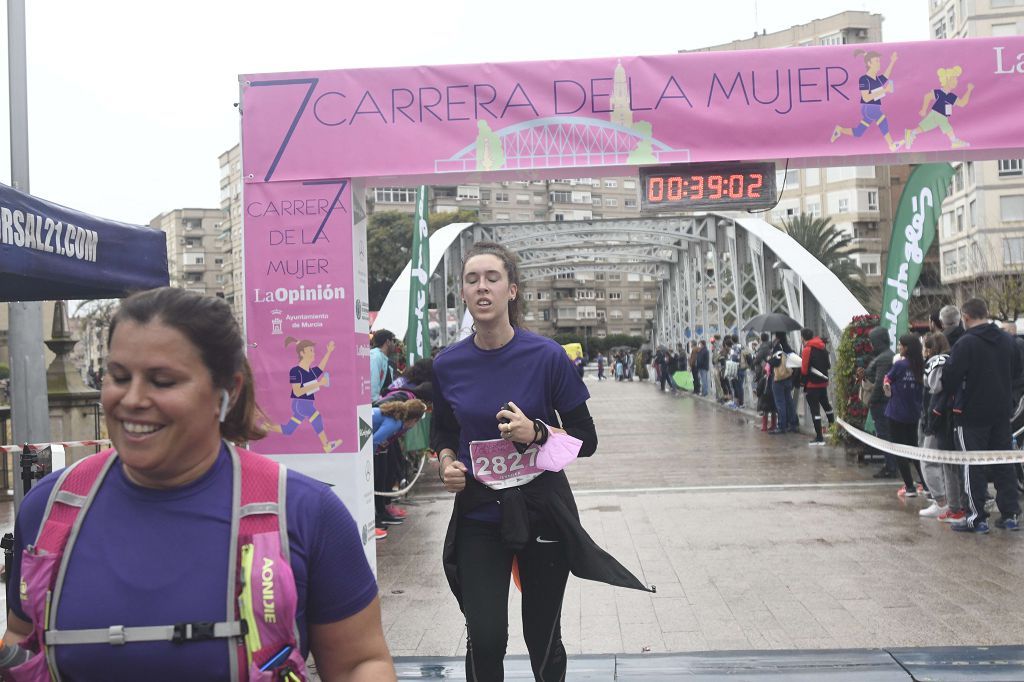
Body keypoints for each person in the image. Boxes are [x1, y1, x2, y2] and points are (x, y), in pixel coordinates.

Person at [2, 287, 394, 680]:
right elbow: (23, 643)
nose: (133, 398)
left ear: (228, 392)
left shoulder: (305, 513)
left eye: (163, 381)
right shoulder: (49, 509)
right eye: (119, 376)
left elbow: (360, 663)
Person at [431, 242, 651, 681]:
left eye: (492, 278)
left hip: (542, 512)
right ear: (463, 293)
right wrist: (446, 463)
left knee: (543, 637)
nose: (482, 287)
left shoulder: (547, 357)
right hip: (478, 513)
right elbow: (443, 432)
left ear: (512, 290)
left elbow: (586, 440)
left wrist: (539, 432)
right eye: (472, 280)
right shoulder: (447, 365)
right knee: (487, 635)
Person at [941, 298, 1022, 533]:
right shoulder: (1008, 341)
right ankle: (1010, 515)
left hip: (971, 415)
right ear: (986, 313)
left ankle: (976, 518)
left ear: (965, 318)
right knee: (1004, 463)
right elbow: (1017, 372)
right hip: (1002, 412)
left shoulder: (965, 344)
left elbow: (950, 379)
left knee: (971, 465)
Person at [265, 336, 344, 453]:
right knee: (316, 417)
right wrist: (319, 383)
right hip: (300, 403)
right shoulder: (295, 371)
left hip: (305, 403)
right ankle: (326, 445)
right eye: (310, 350)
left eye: (313, 350)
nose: (313, 353)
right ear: (302, 353)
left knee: (288, 429)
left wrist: (328, 352)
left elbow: (321, 368)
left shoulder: (310, 371)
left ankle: (266, 427)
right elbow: (297, 392)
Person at [920, 332, 966, 521]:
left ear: (931, 349)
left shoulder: (938, 361)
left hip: (941, 417)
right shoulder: (953, 359)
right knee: (951, 465)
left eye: (925, 347)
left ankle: (946, 504)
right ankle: (953, 504)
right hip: (946, 417)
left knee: (937, 460)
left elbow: (936, 386)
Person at [372, 399, 427, 538]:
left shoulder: (396, 420)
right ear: (414, 420)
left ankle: (379, 516)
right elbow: (374, 440)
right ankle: (374, 521)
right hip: (367, 449)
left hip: (374, 448)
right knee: (375, 479)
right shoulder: (395, 423)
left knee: (381, 476)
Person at [831, 49, 902, 152]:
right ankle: (891, 145)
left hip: (872, 107)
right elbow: (866, 97)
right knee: (882, 120)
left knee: (859, 132)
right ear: (869, 63)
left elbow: (886, 76)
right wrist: (884, 90)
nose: (879, 63)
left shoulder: (876, 79)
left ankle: (840, 129)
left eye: (879, 61)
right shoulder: (864, 79)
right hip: (869, 107)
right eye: (876, 61)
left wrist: (892, 61)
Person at [883, 334, 927, 497]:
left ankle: (909, 487)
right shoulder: (921, 365)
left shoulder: (900, 365)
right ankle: (926, 483)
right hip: (914, 413)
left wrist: (887, 385)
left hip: (896, 413)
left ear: (907, 348)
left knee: (899, 449)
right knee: (913, 448)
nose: (899, 348)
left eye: (901, 345)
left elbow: (888, 378)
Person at [904, 66, 974, 150]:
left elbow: (962, 103)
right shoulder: (940, 92)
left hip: (936, 115)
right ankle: (954, 141)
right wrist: (923, 109)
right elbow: (927, 96)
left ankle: (911, 133)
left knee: (925, 127)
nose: (956, 82)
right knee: (945, 123)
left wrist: (969, 90)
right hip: (938, 113)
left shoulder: (952, 96)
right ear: (947, 80)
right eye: (954, 79)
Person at [862, 326, 897, 478]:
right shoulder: (887, 355)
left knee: (884, 435)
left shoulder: (883, 358)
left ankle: (890, 467)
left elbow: (880, 383)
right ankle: (891, 465)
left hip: (881, 403)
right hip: (885, 402)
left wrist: (872, 401)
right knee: (886, 434)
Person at [800, 328, 835, 446]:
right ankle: (833, 429)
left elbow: (804, 370)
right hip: (823, 383)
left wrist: (802, 381)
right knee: (827, 406)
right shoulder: (822, 347)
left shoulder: (807, 349)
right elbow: (828, 365)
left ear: (802, 338)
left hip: (812, 384)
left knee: (815, 411)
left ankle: (819, 437)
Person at [767, 332, 798, 434]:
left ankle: (782, 426)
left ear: (777, 336)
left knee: (780, 403)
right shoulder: (787, 347)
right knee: (789, 402)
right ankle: (793, 424)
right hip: (788, 378)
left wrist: (769, 360)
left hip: (779, 379)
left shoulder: (778, 347)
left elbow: (776, 362)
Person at [370, 329, 397, 402]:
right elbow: (373, 384)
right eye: (394, 341)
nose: (395, 344)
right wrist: (375, 404)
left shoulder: (382, 357)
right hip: (374, 406)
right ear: (388, 342)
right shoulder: (376, 357)